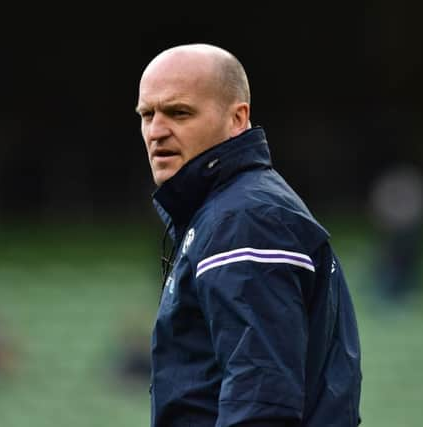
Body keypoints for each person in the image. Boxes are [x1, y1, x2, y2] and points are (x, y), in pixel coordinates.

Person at [136, 43, 362, 427]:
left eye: (179, 112)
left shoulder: (245, 220)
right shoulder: (224, 212)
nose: (156, 131)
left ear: (237, 118)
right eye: (147, 114)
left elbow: (260, 401)